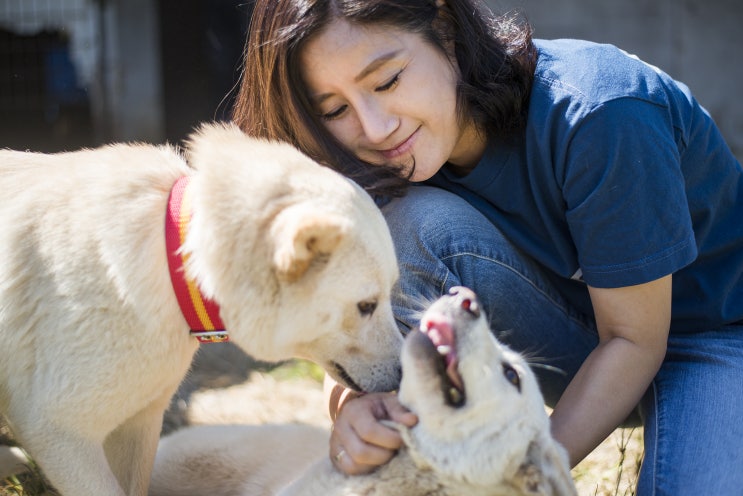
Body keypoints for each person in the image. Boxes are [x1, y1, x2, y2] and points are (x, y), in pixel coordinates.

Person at [232, 0, 743, 494]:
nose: (375, 128)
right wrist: (352, 406)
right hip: (573, 331)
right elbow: (371, 317)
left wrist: (523, 476)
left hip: (709, 334)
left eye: (387, 81)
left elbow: (635, 340)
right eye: (336, 108)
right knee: (399, 224)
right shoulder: (383, 161)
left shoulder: (603, 114)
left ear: (445, 25)